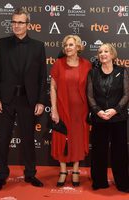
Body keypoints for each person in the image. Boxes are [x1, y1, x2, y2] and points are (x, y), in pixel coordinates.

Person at [0, 8, 47, 192]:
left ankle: (30, 174)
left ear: (28, 25)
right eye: (13, 22)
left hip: (27, 100)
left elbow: (41, 77)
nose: (16, 25)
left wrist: (40, 101)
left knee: (28, 139)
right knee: (3, 139)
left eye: (20, 22)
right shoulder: (2, 44)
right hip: (5, 101)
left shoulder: (38, 46)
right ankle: (1, 176)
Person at [87, 43, 129, 192]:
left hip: (118, 118)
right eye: (100, 52)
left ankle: (123, 183)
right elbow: (90, 96)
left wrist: (115, 110)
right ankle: (99, 182)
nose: (103, 54)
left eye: (106, 51)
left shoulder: (122, 71)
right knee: (99, 151)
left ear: (112, 54)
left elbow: (126, 94)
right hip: (99, 119)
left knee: (120, 152)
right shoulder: (93, 73)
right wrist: (98, 111)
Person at [50, 35, 91, 187]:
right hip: (62, 108)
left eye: (71, 45)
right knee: (61, 139)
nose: (67, 47)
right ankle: (62, 171)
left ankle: (75, 171)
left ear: (78, 47)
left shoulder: (87, 65)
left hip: (80, 111)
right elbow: (53, 88)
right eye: (66, 45)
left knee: (77, 139)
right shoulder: (58, 64)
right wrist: (54, 109)